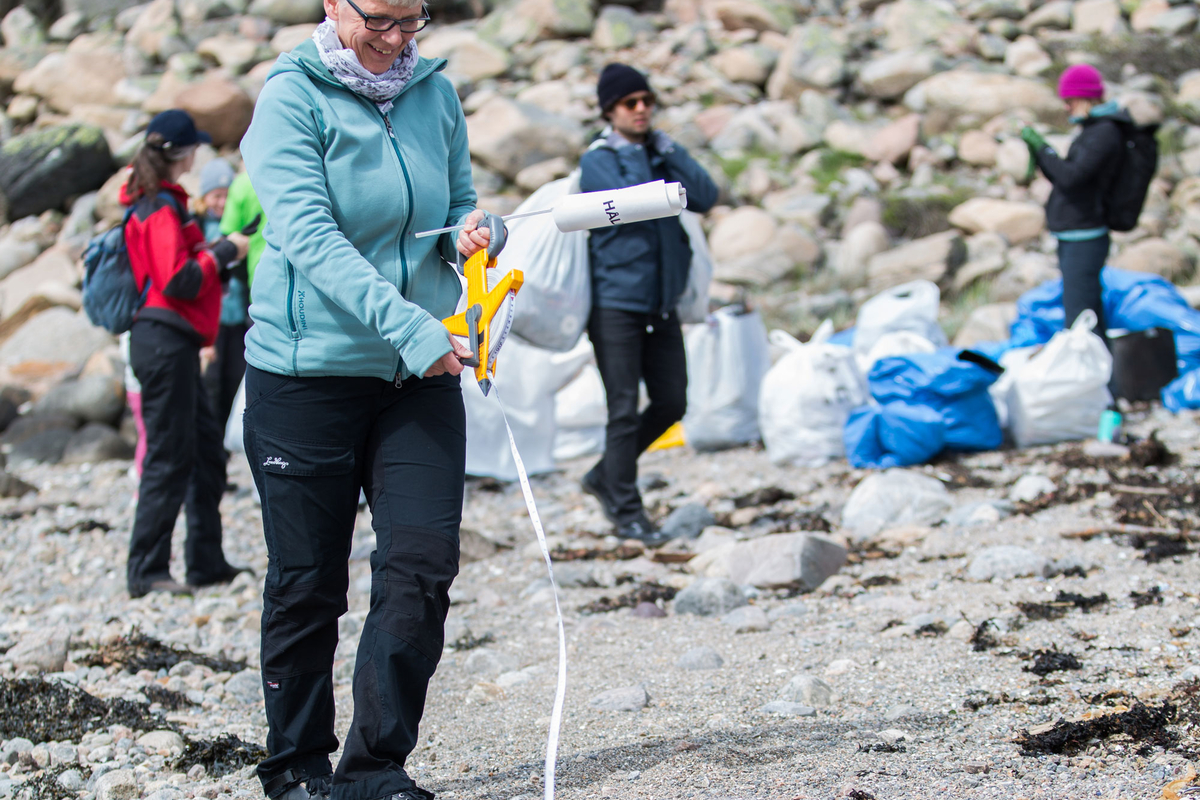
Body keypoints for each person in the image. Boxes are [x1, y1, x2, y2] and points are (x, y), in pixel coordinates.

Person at [238, 1, 493, 799]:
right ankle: (297, 768)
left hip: (416, 377)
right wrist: (414, 328)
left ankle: (376, 765)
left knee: (421, 566)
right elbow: (311, 241)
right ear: (332, 4)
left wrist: (471, 233)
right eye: (378, 18)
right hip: (306, 375)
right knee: (309, 580)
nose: (396, 38)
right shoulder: (290, 98)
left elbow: (455, 202)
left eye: (413, 19)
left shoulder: (434, 93)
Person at [578, 63, 718, 545]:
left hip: (662, 303)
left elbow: (704, 194)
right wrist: (649, 152)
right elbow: (639, 203)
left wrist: (669, 148)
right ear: (609, 110)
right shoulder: (597, 160)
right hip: (616, 304)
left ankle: (605, 475)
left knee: (672, 401)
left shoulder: (660, 154)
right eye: (630, 103)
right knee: (622, 407)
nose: (642, 110)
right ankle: (626, 510)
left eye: (647, 101)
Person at [122, 110, 250, 598]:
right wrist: (224, 252)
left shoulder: (163, 203)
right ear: (182, 153)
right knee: (170, 455)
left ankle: (205, 559)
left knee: (203, 450)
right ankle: (147, 570)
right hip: (163, 340)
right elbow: (178, 279)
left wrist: (219, 248)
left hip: (172, 341)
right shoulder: (158, 206)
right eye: (194, 147)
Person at [1022, 63, 1128, 336]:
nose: (1066, 107)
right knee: (1088, 314)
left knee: (1080, 318)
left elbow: (1071, 178)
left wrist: (1042, 147)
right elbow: (1065, 177)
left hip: (1086, 236)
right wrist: (1038, 150)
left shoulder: (1104, 133)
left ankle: (1095, 375)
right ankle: (1104, 375)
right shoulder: (1093, 131)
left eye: (1069, 101)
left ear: (1086, 98)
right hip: (1075, 235)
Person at [196, 158, 250, 432]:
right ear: (204, 197)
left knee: (235, 380)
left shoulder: (242, 226)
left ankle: (227, 446)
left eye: (226, 196)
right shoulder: (196, 226)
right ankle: (212, 443)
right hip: (211, 323)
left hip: (238, 318)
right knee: (211, 384)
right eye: (216, 195)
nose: (221, 202)